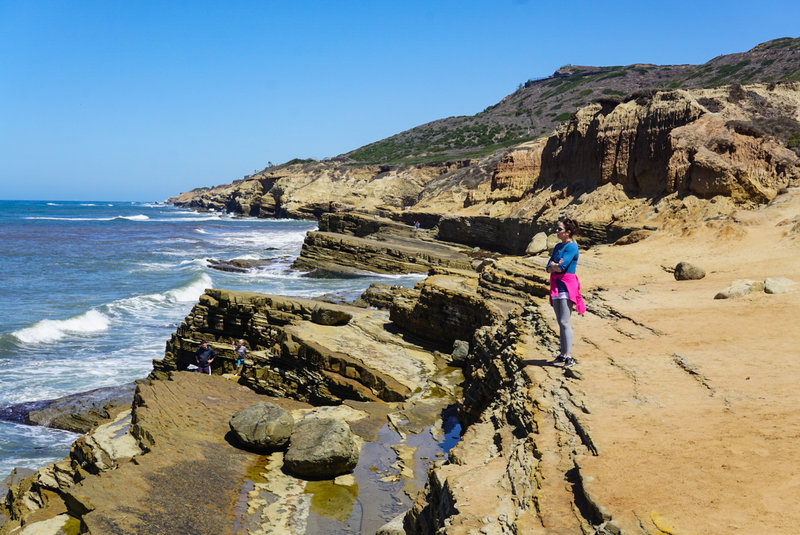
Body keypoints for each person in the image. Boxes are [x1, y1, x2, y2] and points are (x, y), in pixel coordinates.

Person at [545, 218, 586, 368]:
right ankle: (563, 354)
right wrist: (554, 265)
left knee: (564, 322)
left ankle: (569, 356)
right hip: (556, 286)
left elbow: (561, 268)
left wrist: (555, 266)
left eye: (559, 229)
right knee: (560, 322)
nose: (556, 231)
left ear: (568, 232)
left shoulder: (572, 247)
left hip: (566, 286)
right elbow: (548, 266)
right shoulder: (557, 246)